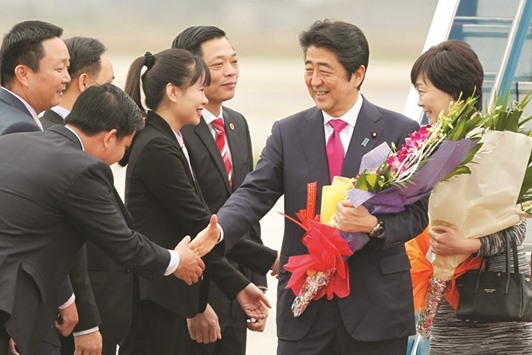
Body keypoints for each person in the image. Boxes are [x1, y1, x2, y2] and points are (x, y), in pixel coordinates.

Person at [192, 19, 428, 355]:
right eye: (308, 69)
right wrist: (218, 232)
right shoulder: (289, 133)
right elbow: (254, 192)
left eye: (325, 71)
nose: (314, 81)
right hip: (305, 309)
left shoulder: (398, 132)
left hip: (375, 309)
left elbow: (418, 214)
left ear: (357, 74)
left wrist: (375, 227)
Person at [0, 83, 214, 355]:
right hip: (9, 303)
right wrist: (176, 260)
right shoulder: (82, 168)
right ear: (109, 137)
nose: (123, 155)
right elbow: (123, 243)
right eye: (125, 146)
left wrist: (64, 299)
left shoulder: (13, 142)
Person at [118, 48, 273, 355]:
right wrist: (271, 262)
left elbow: (203, 229)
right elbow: (201, 226)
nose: (205, 99)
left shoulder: (168, 139)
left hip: (171, 298)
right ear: (173, 92)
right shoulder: (157, 148)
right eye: (200, 89)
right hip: (161, 302)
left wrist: (243, 283)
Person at [410, 39, 531, 354]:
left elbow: (516, 225)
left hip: (499, 298)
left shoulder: (498, 145)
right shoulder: (428, 148)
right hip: (451, 302)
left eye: (424, 90)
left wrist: (470, 245)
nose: (420, 101)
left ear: (452, 90)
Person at [172, 25, 271, 355]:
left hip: (238, 293)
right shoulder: (178, 130)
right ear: (192, 72)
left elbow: (249, 207)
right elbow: (177, 222)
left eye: (234, 62)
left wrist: (256, 281)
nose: (230, 72)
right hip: (197, 290)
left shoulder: (237, 123)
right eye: (218, 65)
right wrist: (195, 305)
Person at [40, 36, 133, 355]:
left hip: (102, 310)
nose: (114, 94)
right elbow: (65, 243)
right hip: (74, 317)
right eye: (108, 84)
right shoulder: (47, 138)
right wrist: (87, 324)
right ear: (84, 83)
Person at [0, 20, 78, 354]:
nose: (67, 78)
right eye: (59, 68)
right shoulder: (18, 130)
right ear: (23, 73)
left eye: (68, 67)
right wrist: (65, 295)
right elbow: (27, 228)